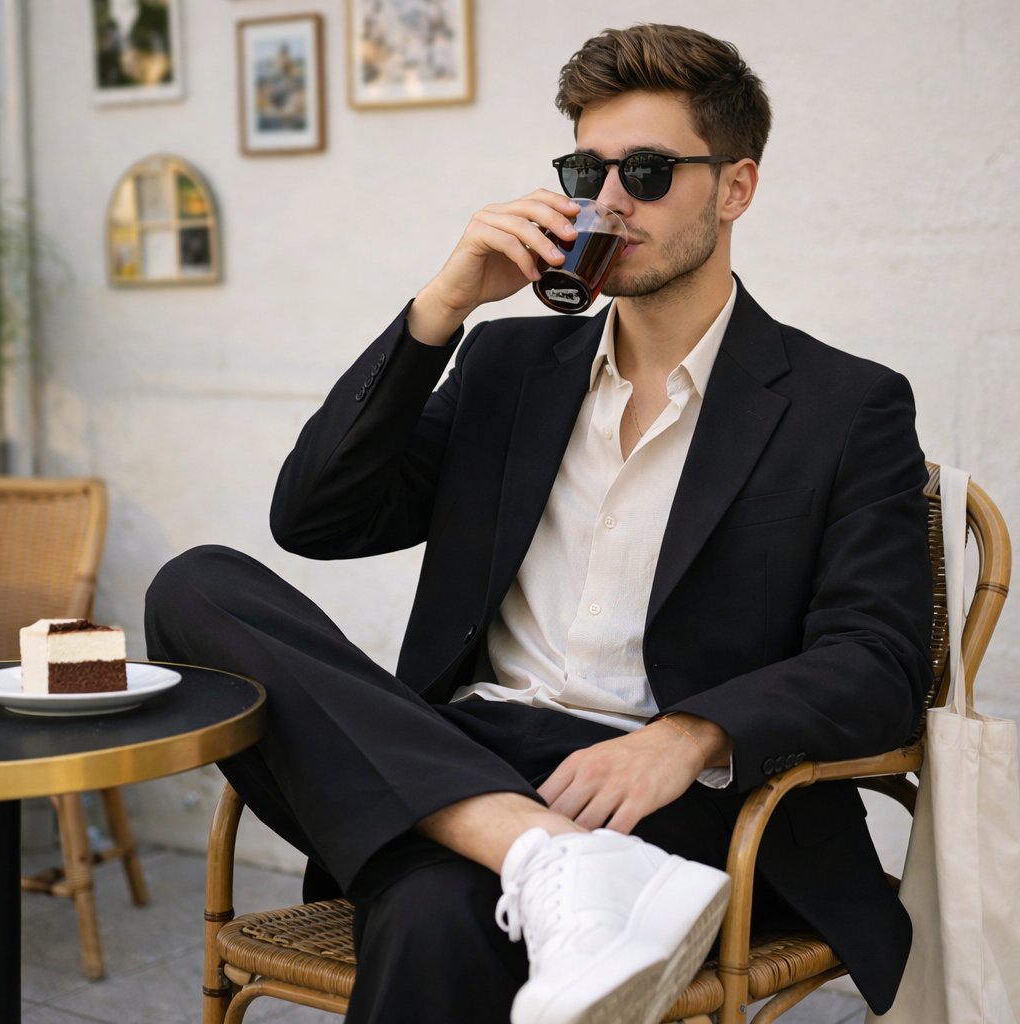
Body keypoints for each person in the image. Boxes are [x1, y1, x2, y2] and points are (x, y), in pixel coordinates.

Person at [145, 23, 933, 1024]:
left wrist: (688, 737)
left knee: (433, 916)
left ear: (734, 189)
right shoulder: (507, 367)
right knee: (194, 586)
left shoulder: (842, 404)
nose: (607, 201)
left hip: (675, 803)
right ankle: (540, 853)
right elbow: (317, 516)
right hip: (466, 758)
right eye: (584, 170)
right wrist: (441, 308)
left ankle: (555, 860)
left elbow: (880, 661)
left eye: (645, 171)